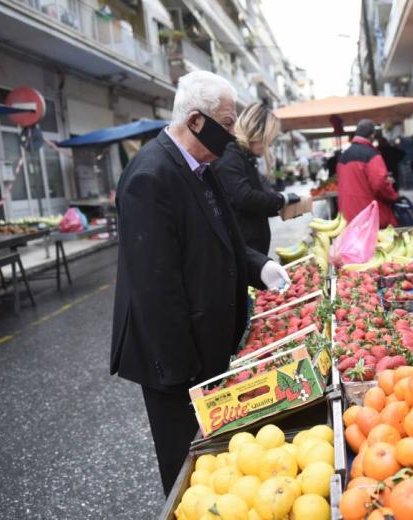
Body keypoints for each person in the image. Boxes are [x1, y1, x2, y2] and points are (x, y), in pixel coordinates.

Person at [110, 71, 291, 496]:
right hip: (173, 359)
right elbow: (155, 289)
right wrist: (186, 375)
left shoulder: (202, 168)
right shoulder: (149, 177)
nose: (233, 134)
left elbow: (228, 238)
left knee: (214, 465)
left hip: (206, 348)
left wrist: (259, 267)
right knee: (186, 469)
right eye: (227, 124)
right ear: (195, 121)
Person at [212, 103, 302, 255]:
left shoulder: (244, 156)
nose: (270, 145)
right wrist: (282, 199)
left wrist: (282, 206)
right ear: (257, 132)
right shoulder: (230, 154)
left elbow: (257, 200)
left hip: (252, 250)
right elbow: (245, 197)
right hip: (242, 252)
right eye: (269, 140)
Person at [337, 119, 399, 228]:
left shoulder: (342, 157)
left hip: (348, 217)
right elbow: (380, 185)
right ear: (372, 135)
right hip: (370, 218)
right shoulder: (372, 155)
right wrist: (394, 196)